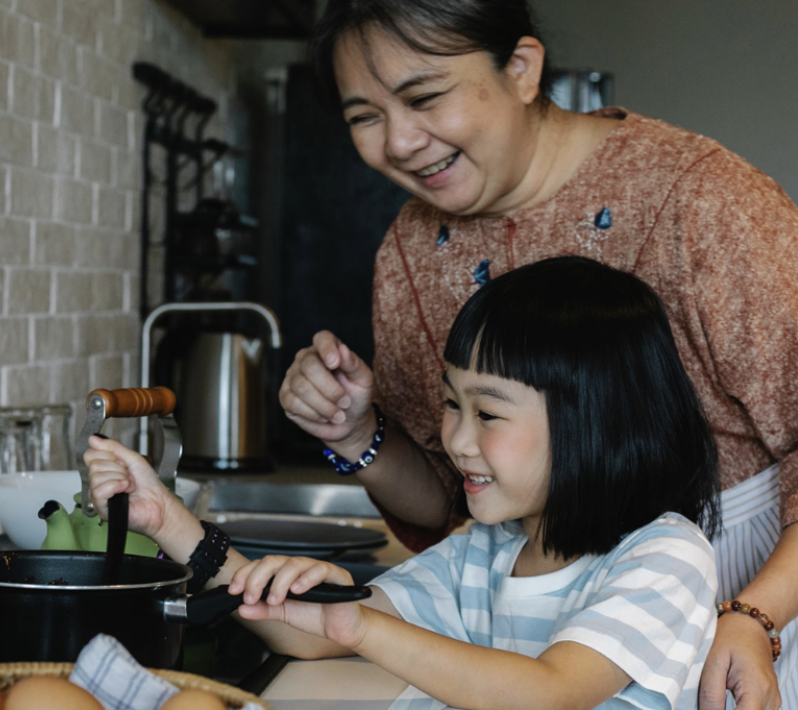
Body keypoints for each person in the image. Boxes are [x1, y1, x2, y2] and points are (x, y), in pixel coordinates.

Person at [276, 2, 798, 707]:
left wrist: (756, 613)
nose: (398, 141)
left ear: (522, 69)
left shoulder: (702, 199)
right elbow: (450, 496)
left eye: (424, 97)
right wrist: (356, 432)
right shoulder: (409, 250)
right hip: (541, 634)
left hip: (761, 603)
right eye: (364, 116)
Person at [87, 257, 722, 709]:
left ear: (598, 421)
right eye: (452, 404)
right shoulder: (486, 551)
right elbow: (301, 632)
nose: (457, 439)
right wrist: (166, 519)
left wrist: (360, 627)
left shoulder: (665, 557)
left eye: (488, 414)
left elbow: (548, 694)